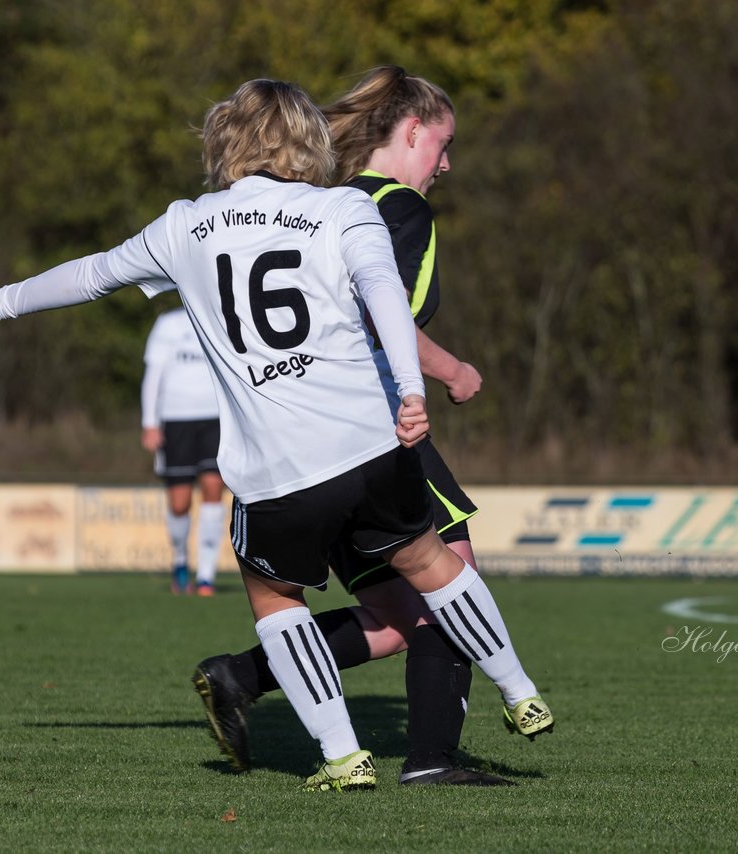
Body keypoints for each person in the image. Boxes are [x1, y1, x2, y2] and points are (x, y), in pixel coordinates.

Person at [0, 78, 554, 791]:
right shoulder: (344, 208)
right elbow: (386, 299)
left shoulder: (184, 226)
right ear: (309, 140)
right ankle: (520, 692)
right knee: (434, 562)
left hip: (277, 468)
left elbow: (94, 274)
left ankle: (343, 758)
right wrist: (414, 391)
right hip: (369, 446)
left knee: (276, 599)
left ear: (222, 143)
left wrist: (0, 301)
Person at [191, 67, 535, 788]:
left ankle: (243, 674)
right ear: (412, 132)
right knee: (450, 584)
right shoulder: (396, 209)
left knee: (392, 610)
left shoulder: (324, 200)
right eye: (442, 145)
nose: (447, 164)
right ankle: (435, 758)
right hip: (376, 436)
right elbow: (383, 323)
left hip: (313, 447)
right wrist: (449, 372)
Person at [141, 307, 225, 596]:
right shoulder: (168, 324)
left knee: (214, 488)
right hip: (175, 420)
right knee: (180, 503)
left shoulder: (220, 315)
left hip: (216, 417)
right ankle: (180, 562)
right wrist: (150, 422)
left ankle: (206, 576)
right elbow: (153, 373)